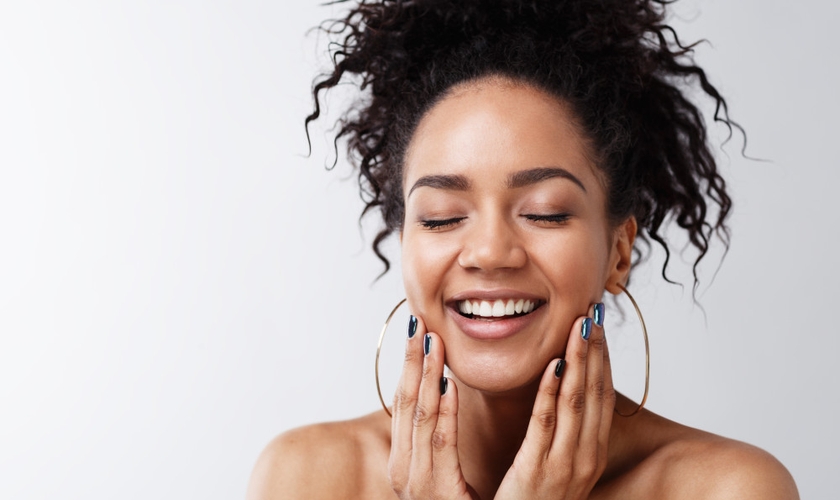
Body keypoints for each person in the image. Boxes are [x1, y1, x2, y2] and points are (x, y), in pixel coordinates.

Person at [247, 0, 799, 498]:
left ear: (619, 253)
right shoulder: (308, 478)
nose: (490, 252)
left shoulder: (728, 489)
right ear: (405, 243)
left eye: (545, 213)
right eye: (441, 218)